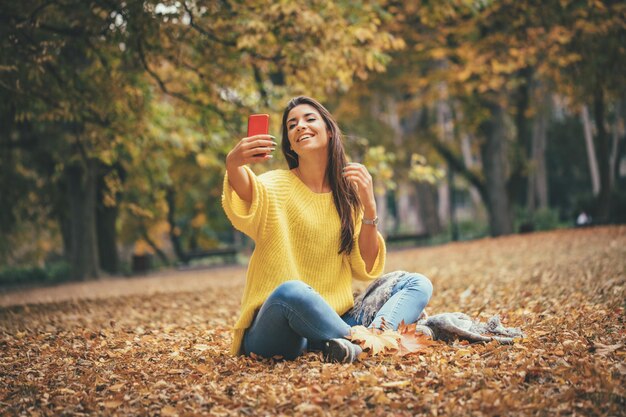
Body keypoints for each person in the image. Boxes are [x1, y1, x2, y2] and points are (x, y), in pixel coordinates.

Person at [222, 96, 433, 363]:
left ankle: (362, 341)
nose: (300, 126)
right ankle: (368, 342)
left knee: (417, 283)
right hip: (275, 329)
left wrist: (369, 207)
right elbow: (244, 188)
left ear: (330, 131)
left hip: (335, 320)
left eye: (309, 119)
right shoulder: (274, 185)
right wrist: (233, 163)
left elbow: (365, 265)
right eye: (291, 125)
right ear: (290, 144)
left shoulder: (347, 198)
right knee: (293, 291)